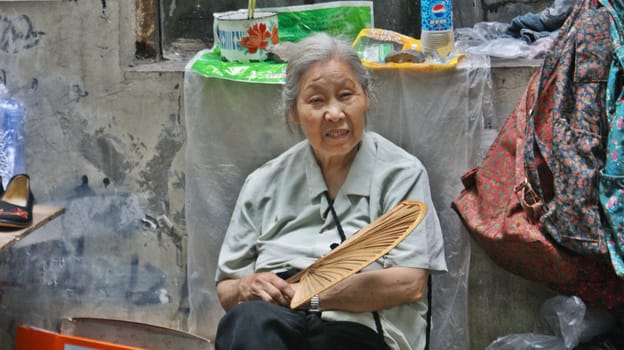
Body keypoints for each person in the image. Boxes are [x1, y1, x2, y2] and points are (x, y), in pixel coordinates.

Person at [214, 32, 447, 350]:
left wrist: (311, 296)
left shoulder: (401, 174)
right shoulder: (263, 183)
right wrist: (245, 287)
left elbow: (409, 283)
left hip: (360, 324)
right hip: (275, 317)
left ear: (366, 98)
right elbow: (227, 289)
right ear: (294, 112)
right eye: (317, 100)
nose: (334, 113)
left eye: (346, 95)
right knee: (249, 323)